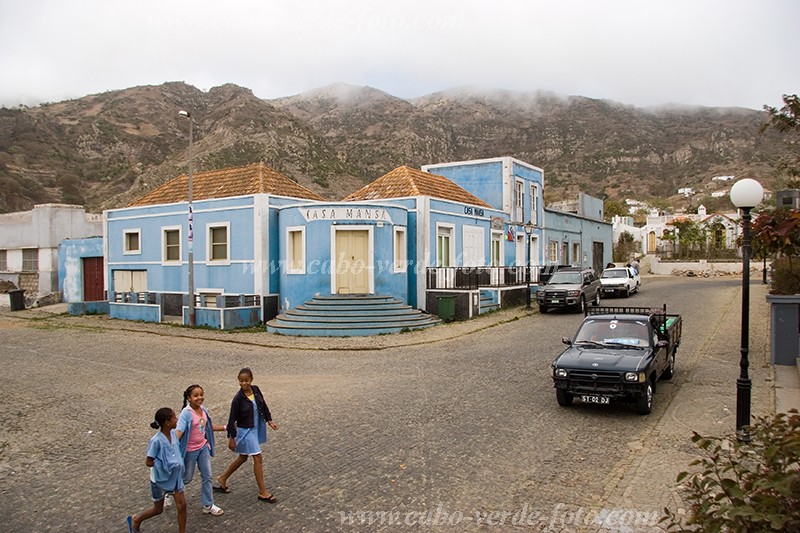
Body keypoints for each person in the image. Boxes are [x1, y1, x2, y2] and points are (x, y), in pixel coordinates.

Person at [216, 367, 279, 503]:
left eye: (246, 381)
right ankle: (263, 491)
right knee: (257, 457)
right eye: (241, 381)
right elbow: (232, 419)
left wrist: (269, 421)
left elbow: (263, 406)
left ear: (251, 380)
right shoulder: (238, 399)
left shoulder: (256, 390)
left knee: (243, 457)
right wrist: (231, 438)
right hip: (245, 430)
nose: (243, 384)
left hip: (256, 427)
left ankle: (223, 477)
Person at [127, 407, 187, 533]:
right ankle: (136, 520)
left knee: (182, 506)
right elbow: (149, 461)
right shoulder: (156, 441)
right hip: (160, 479)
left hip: (175, 477)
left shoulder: (173, 434)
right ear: (167, 422)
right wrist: (164, 465)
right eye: (174, 418)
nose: (177, 420)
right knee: (158, 509)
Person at [175, 384, 226, 516]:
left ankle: (208, 505)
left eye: (201, 394)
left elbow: (208, 426)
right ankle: (170, 490)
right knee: (186, 478)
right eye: (196, 395)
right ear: (189, 398)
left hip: (203, 447)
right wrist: (170, 445)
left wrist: (226, 428)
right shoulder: (186, 414)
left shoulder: (203, 410)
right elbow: (179, 432)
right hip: (190, 451)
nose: (200, 398)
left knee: (207, 476)